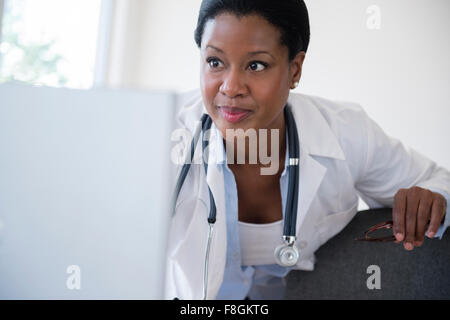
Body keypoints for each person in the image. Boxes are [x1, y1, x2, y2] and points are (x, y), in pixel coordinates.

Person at [165, 0, 450, 300]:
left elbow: (439, 181)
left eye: (256, 65)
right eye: (215, 62)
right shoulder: (162, 135)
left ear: (294, 70)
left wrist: (431, 201)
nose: (231, 87)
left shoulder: (345, 134)